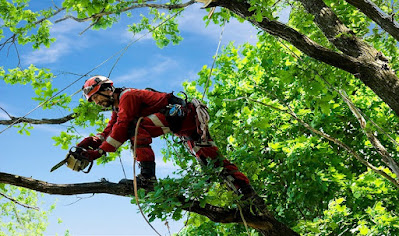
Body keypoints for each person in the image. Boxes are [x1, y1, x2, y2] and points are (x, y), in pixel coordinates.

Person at [76, 75, 255, 198]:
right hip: (186, 127)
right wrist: (92, 141)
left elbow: (122, 127)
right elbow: (110, 129)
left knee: (134, 127)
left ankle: (147, 178)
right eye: (93, 101)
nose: (97, 103)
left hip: (184, 118)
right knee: (212, 162)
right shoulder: (118, 107)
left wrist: (99, 153)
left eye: (96, 98)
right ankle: (247, 193)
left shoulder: (127, 97)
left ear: (107, 90)